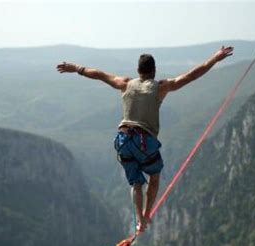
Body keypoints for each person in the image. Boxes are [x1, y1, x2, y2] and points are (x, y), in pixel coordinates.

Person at [56, 46, 234, 233]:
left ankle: (139, 218)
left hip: (123, 140)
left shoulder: (125, 83)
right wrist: (214, 58)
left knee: (136, 183)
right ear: (154, 71)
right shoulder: (160, 87)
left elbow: (100, 74)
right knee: (154, 178)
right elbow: (191, 76)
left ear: (138, 71)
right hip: (143, 141)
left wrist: (76, 68)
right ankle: (146, 217)